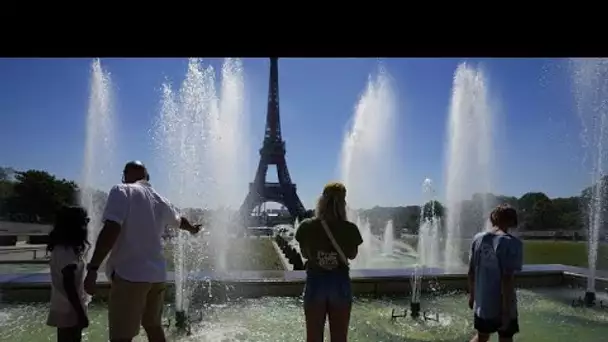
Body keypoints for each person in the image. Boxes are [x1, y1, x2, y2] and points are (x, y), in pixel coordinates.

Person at [83, 161, 201, 342]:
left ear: (125, 175)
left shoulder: (122, 190)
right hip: (157, 276)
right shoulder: (160, 199)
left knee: (121, 335)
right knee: (153, 326)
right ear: (147, 177)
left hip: (130, 275)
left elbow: (111, 229)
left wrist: (92, 268)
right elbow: (179, 221)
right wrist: (193, 229)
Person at [295, 182, 363, 342]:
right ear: (343, 203)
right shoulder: (350, 229)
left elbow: (305, 253)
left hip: (316, 282)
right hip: (339, 282)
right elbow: (352, 255)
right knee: (339, 338)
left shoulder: (306, 227)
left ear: (321, 201)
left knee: (313, 337)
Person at [468, 204, 523, 342]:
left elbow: (471, 271)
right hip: (501, 303)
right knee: (505, 337)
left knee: (482, 337)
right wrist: (506, 311)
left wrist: (472, 296)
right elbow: (507, 279)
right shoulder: (512, 243)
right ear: (511, 220)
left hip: (482, 303)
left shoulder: (478, 239)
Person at [46, 205, 90, 342]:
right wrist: (80, 313)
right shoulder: (66, 251)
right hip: (69, 309)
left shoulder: (64, 248)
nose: (87, 223)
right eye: (85, 220)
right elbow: (68, 284)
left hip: (65, 307)